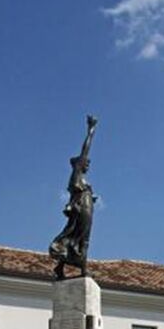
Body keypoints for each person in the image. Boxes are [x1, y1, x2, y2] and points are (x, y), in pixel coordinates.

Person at [50, 115, 98, 278]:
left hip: (86, 207)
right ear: (79, 163)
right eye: (85, 162)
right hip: (81, 210)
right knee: (80, 236)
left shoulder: (82, 180)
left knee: (80, 237)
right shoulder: (76, 174)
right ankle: (82, 268)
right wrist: (91, 130)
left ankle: (61, 267)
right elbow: (86, 149)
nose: (88, 163)